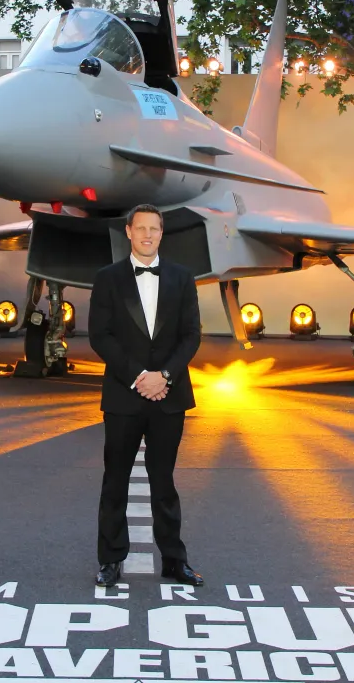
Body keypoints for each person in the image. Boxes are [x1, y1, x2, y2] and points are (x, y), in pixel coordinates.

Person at [88, 204, 203, 588]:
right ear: (129, 232)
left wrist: (164, 376)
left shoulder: (183, 278)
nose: (148, 235)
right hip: (124, 395)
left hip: (169, 396)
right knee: (115, 481)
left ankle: (174, 560)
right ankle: (110, 560)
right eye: (142, 229)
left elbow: (191, 336)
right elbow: (100, 336)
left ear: (161, 233)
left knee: (164, 482)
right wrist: (139, 376)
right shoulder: (107, 278)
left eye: (155, 229)